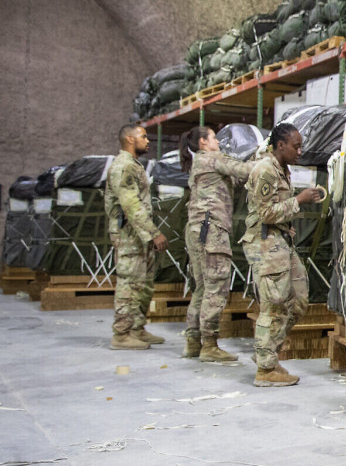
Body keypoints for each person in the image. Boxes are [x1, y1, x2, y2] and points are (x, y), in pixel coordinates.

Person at [241, 123, 323, 387]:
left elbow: (273, 210)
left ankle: (267, 353)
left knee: (298, 300)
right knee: (274, 304)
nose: (300, 151)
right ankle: (266, 368)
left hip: (279, 241)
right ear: (280, 146)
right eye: (295, 146)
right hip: (265, 244)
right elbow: (265, 213)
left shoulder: (280, 169)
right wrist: (299, 200)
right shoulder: (265, 169)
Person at [179, 126, 254, 363]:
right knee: (216, 287)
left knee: (202, 287)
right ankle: (209, 345)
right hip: (211, 230)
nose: (219, 143)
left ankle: (193, 342)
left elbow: (234, 179)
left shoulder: (201, 163)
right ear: (203, 142)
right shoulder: (212, 158)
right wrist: (266, 158)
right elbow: (244, 170)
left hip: (198, 229)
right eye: (214, 138)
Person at [105, 124, 169, 350]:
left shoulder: (134, 165)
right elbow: (130, 205)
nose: (148, 140)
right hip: (129, 235)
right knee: (129, 284)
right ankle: (121, 334)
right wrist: (154, 233)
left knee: (142, 284)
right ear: (130, 139)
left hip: (138, 236)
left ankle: (136, 328)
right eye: (143, 136)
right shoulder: (123, 167)